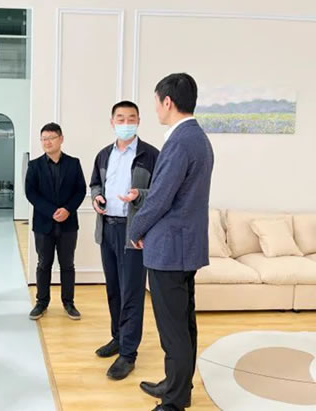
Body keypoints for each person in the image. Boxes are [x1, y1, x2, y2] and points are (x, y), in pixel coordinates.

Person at [129, 73, 214, 411]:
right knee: (183, 323)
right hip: (185, 247)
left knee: (173, 328)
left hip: (170, 249)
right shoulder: (197, 138)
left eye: (156, 103)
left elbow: (161, 198)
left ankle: (175, 401)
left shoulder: (179, 141)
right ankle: (177, 385)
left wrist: (136, 229)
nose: (156, 110)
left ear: (168, 101)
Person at [90, 101, 159, 380]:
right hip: (107, 228)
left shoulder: (151, 155)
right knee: (113, 289)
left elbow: (160, 194)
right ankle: (118, 338)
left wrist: (139, 195)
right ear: (112, 122)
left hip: (134, 233)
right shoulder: (103, 155)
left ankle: (129, 354)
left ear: (139, 121)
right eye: (121, 118)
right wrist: (96, 197)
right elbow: (95, 183)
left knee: (131, 292)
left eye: (131, 118)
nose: (126, 123)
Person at [25, 122, 86, 320]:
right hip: (43, 223)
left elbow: (80, 190)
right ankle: (41, 302)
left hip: (68, 224)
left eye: (51, 138)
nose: (47, 142)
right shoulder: (34, 165)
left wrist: (68, 209)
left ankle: (69, 303)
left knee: (67, 264)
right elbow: (31, 193)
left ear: (61, 139)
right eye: (44, 139)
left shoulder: (73, 163)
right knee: (44, 264)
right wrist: (51, 211)